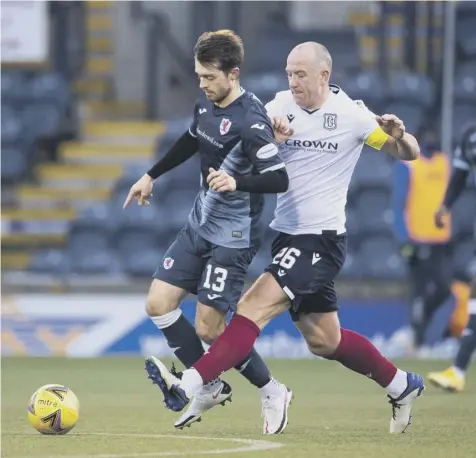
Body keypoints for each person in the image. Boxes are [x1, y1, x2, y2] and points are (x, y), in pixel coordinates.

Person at [145, 42, 425, 435]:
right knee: (325, 340)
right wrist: (271, 143)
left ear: (323, 75)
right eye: (289, 73)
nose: (292, 81)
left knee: (251, 308)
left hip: (321, 240)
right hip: (286, 236)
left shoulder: (353, 116)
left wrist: (402, 136)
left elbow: (407, 153)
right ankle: (402, 385)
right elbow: (253, 149)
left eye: (301, 74)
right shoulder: (277, 107)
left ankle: (190, 382)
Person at [124, 30, 291, 431]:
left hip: (232, 239)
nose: (201, 83)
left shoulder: (252, 121)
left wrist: (238, 182)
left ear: (233, 74)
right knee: (158, 303)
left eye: (209, 77)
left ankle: (272, 390)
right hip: (199, 225)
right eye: (198, 75)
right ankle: (211, 385)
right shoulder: (206, 103)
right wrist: (151, 175)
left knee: (210, 328)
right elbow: (191, 139)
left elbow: (279, 179)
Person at [428, 68, 476, 392]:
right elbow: (458, 178)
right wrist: (445, 206)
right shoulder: (472, 136)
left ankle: (458, 369)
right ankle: (458, 370)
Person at [392, 131, 471, 353]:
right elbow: (398, 204)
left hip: (441, 240)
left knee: (444, 289)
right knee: (419, 292)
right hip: (417, 240)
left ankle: (423, 335)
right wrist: (403, 240)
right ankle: (417, 341)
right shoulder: (408, 165)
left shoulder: (444, 163)